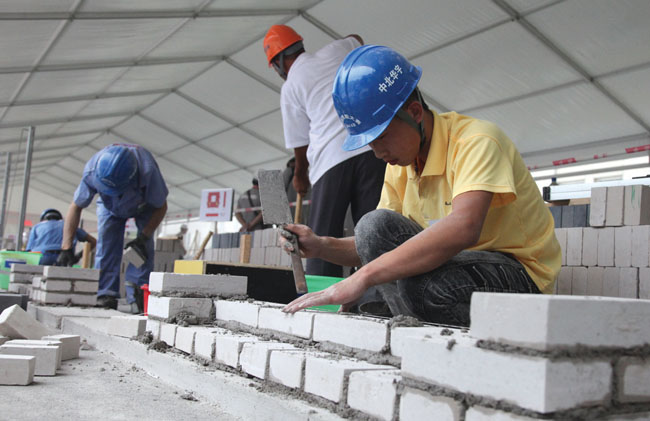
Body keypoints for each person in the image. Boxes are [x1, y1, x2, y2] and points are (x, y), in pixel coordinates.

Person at [281, 45, 561, 326]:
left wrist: (362, 277)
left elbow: (464, 227)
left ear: (414, 112)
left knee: (422, 287)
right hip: (455, 268)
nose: (377, 153)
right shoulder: (400, 164)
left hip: (519, 277)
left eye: (381, 137)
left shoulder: (476, 141)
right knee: (372, 227)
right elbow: (371, 244)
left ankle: (424, 333)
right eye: (370, 144)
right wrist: (320, 246)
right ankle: (406, 326)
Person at [263, 25, 386, 277]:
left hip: (330, 161)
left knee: (320, 241)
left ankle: (323, 296)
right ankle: (378, 291)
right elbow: (356, 38)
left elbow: (300, 142)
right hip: (369, 149)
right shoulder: (336, 50)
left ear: (277, 64)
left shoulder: (291, 87)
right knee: (373, 230)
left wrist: (300, 175)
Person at [59, 144, 168, 314]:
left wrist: (143, 237)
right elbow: (76, 206)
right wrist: (66, 247)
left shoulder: (148, 171)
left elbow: (161, 206)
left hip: (143, 205)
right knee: (106, 246)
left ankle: (139, 293)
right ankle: (105, 294)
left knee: (142, 251)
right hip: (109, 207)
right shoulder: (92, 171)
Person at [26, 208, 96, 265]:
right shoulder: (69, 225)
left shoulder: (37, 227)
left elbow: (29, 250)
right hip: (64, 257)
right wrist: (78, 256)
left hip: (41, 258)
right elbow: (93, 241)